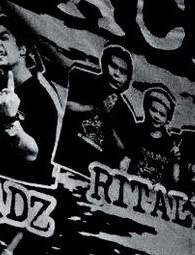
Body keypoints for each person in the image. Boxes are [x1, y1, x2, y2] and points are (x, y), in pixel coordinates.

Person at [0, 14, 60, 183]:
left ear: (22, 49)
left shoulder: (41, 98)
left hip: (19, 196)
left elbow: (33, 154)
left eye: (4, 38)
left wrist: (10, 120)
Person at [54, 43, 136, 174]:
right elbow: (62, 105)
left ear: (128, 78)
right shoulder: (82, 79)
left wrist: (107, 121)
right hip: (63, 162)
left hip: (93, 177)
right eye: (113, 66)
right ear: (104, 65)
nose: (117, 74)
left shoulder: (126, 112)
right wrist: (94, 109)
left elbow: (122, 151)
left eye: (123, 72)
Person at [121, 84, 176, 184]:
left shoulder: (169, 143)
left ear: (167, 119)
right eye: (153, 110)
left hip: (154, 195)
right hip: (131, 187)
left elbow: (173, 178)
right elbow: (125, 161)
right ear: (146, 108)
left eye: (162, 114)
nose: (156, 116)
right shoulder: (136, 131)